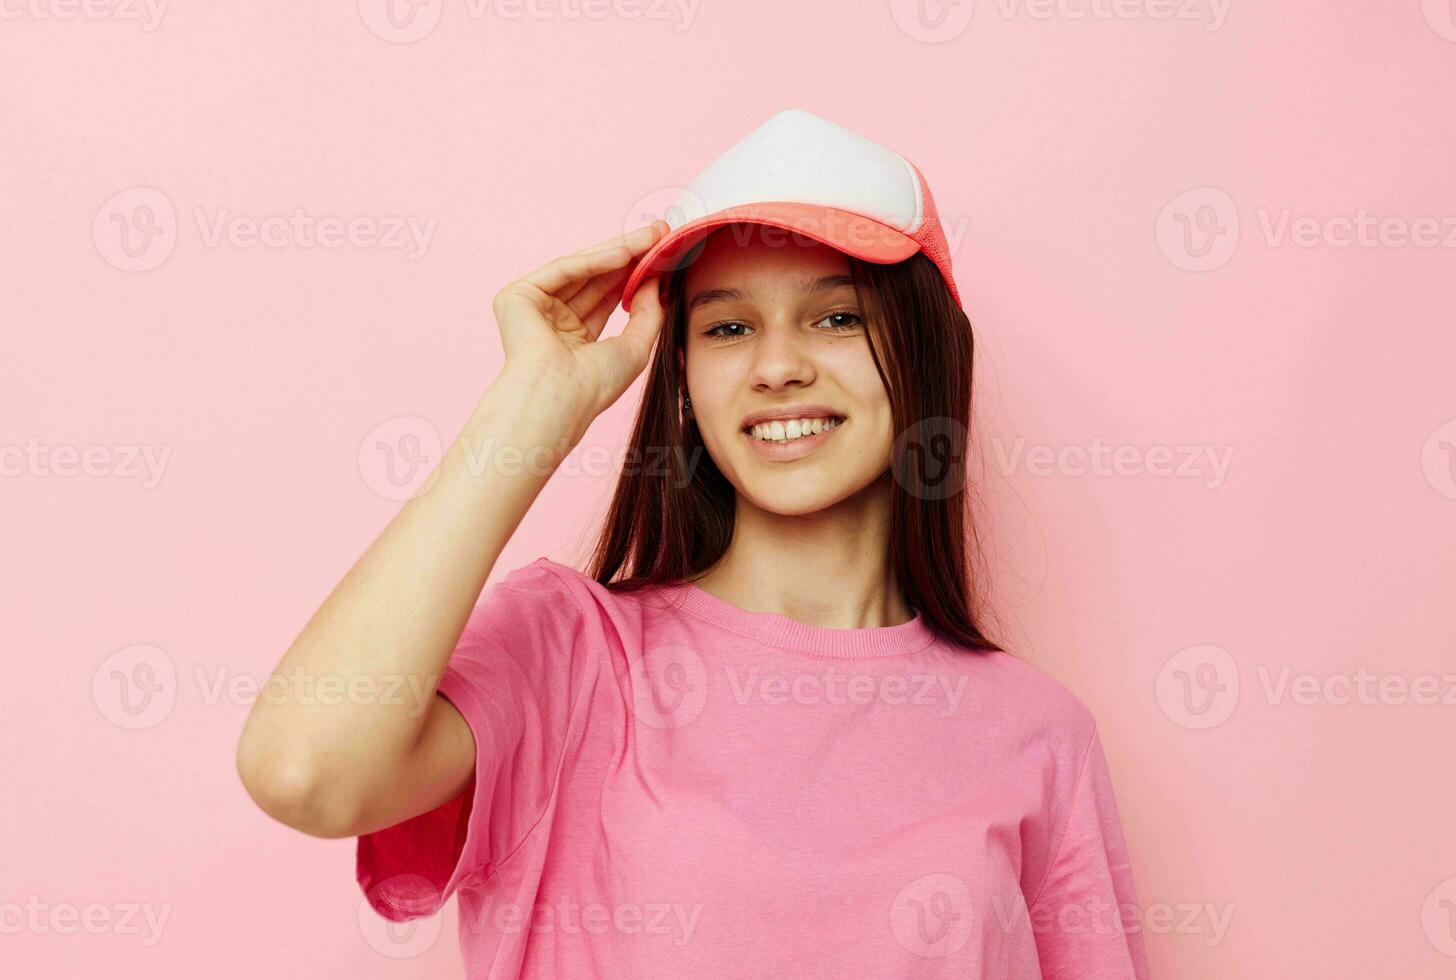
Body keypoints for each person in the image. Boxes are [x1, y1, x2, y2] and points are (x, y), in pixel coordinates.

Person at [236, 109, 1151, 978]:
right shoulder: (575, 654)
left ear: (925, 350)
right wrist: (531, 410)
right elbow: (306, 770)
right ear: (682, 377)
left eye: (838, 316)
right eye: (727, 327)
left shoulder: (1039, 734)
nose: (778, 365)